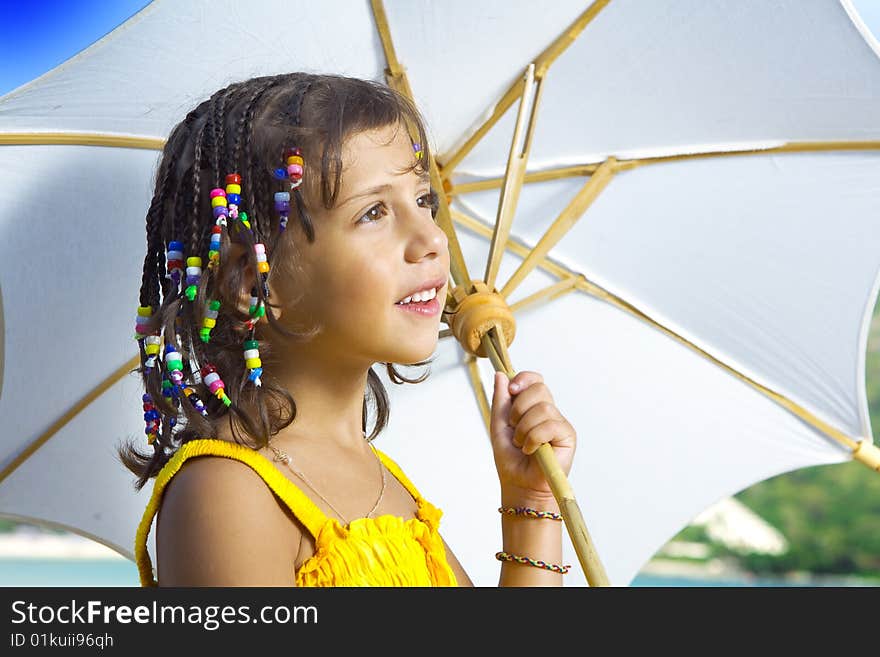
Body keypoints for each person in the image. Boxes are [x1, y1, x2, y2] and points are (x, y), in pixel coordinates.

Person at [120, 72, 577, 587]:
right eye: (375, 212)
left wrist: (531, 504)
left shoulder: (390, 485)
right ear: (255, 283)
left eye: (425, 201)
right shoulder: (226, 490)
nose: (430, 237)